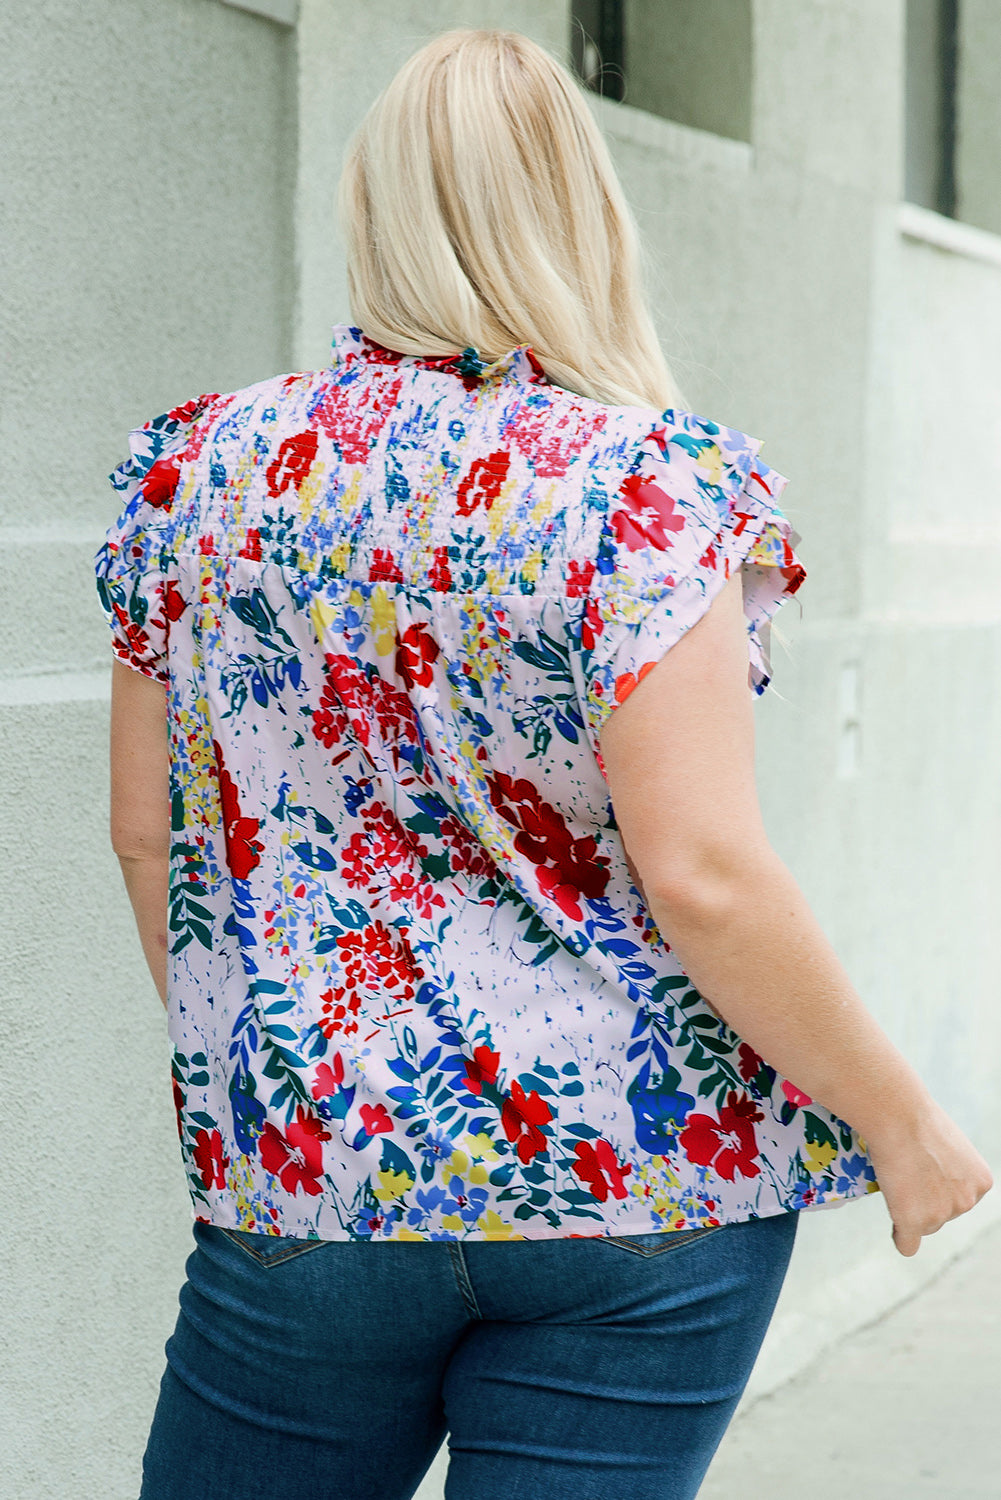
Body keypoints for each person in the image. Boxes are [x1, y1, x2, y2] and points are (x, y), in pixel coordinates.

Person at [96, 28, 992, 1500]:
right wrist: (899, 1124)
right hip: (634, 1185)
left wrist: (290, 1066)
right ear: (584, 220)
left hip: (314, 1175)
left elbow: (152, 839)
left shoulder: (193, 474)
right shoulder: (648, 488)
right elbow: (700, 873)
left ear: (370, 213)